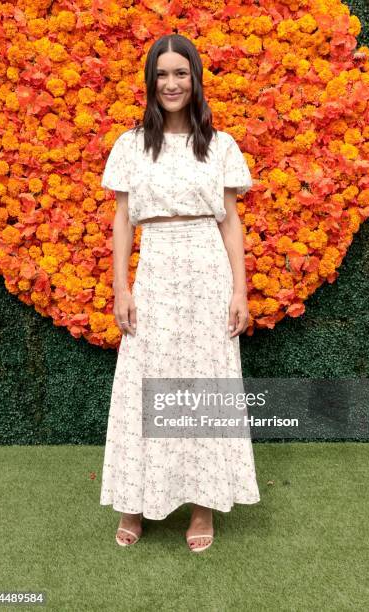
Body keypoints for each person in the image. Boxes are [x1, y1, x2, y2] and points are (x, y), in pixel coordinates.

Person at [100, 33, 260, 552]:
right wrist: (121, 287)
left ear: (195, 79)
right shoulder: (129, 145)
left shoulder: (221, 145)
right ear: (151, 81)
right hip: (156, 270)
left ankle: (202, 507)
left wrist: (240, 291)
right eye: (162, 74)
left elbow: (231, 222)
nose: (171, 83)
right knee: (142, 380)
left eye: (181, 73)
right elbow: (123, 220)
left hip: (207, 270)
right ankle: (133, 503)